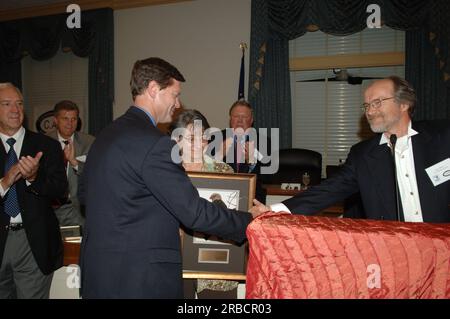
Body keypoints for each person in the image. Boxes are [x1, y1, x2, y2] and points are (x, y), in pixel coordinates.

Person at [79, 57, 257, 299]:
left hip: (101, 274)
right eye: (174, 94)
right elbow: (193, 212)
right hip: (139, 280)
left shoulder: (105, 135)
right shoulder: (155, 143)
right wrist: (250, 221)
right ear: (154, 89)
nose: (177, 103)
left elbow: (84, 196)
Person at [251, 76, 450, 223]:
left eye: (377, 103)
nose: (370, 112)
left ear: (404, 103)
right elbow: (326, 191)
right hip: (394, 254)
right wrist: (274, 210)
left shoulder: (443, 137)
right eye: (366, 106)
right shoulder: (362, 155)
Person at [0, 83, 67, 298]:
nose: (15, 110)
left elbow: (60, 190)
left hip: (32, 244)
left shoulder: (46, 146)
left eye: (19, 104)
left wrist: (33, 178)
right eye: (7, 104)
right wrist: (4, 183)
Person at [170, 109, 239, 298]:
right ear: (176, 141)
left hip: (217, 266)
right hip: (175, 264)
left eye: (203, 138)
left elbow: (233, 221)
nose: (199, 144)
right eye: (192, 138)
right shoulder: (165, 174)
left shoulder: (224, 172)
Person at [47, 100, 95, 228]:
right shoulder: (44, 142)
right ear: (55, 120)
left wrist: (74, 163)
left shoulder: (89, 142)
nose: (70, 123)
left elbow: (94, 175)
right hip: (50, 210)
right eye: (65, 119)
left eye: (74, 119)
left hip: (78, 211)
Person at [222, 100, 270, 204]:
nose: (239, 120)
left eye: (244, 117)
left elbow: (269, 177)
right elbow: (203, 168)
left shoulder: (264, 141)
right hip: (223, 197)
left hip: (252, 199)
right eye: (235, 116)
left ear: (251, 120)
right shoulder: (217, 139)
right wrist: (219, 155)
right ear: (230, 119)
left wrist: (252, 163)